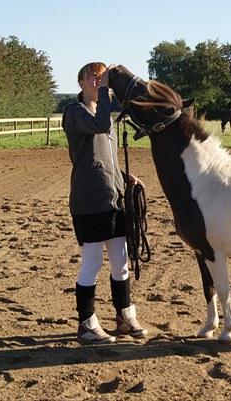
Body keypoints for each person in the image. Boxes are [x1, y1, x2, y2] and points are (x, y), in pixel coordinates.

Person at [61, 62, 148, 344]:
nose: (98, 80)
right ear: (81, 82)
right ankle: (86, 324)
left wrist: (125, 177)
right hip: (89, 200)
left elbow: (101, 159)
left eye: (101, 76)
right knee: (92, 262)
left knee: (121, 261)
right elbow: (98, 126)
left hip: (113, 197)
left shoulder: (103, 116)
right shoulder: (75, 113)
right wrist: (107, 90)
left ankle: (125, 316)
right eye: (93, 76)